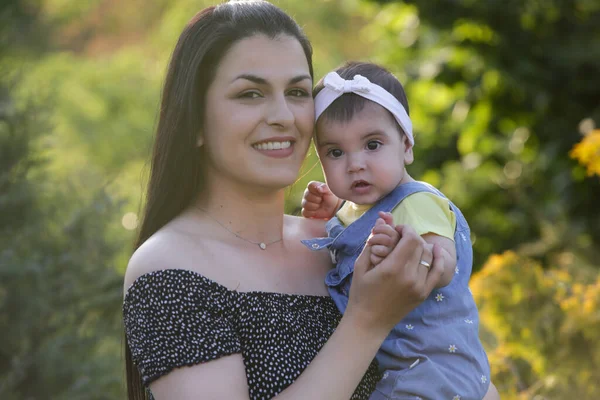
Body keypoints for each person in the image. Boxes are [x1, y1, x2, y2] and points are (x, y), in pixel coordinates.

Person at [121, 1, 454, 400]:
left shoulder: (341, 241)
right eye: (250, 93)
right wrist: (366, 320)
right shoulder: (168, 269)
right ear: (194, 123)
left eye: (297, 92)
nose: (284, 115)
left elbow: (453, 365)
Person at [301, 61, 491, 399]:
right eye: (335, 152)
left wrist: (405, 247)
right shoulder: (358, 208)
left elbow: (443, 265)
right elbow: (357, 230)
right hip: (401, 367)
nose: (355, 163)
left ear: (405, 146)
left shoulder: (418, 203)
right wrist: (332, 213)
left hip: (438, 367)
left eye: (372, 145)